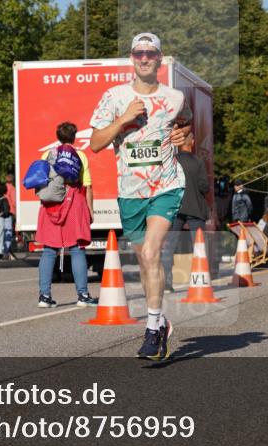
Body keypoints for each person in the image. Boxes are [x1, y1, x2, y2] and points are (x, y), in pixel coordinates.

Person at [89, 32, 190, 360]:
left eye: (150, 53)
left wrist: (185, 132)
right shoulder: (114, 97)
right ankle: (161, 322)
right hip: (130, 191)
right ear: (132, 58)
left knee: (150, 252)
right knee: (146, 261)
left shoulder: (175, 97)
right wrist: (123, 119)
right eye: (138, 53)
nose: (144, 58)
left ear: (160, 59)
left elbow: (190, 126)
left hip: (166, 184)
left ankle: (150, 330)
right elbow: (95, 144)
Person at [37, 122, 95, 306]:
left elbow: (41, 180)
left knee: (48, 250)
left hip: (51, 204)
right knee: (77, 249)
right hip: (74, 202)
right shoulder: (80, 156)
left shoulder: (47, 155)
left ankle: (44, 297)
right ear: (74, 136)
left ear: (58, 136)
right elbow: (87, 185)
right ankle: (83, 296)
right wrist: (90, 210)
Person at [161, 131, 210, 292]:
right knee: (200, 246)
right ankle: (201, 280)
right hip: (195, 208)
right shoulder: (198, 162)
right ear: (192, 142)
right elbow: (204, 186)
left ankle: (167, 283)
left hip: (175, 208)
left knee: (169, 247)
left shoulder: (173, 161)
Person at [4, 172, 17, 259]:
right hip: (9, 213)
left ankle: (2, 251)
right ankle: (6, 252)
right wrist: (16, 214)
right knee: (8, 233)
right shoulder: (12, 189)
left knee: (2, 233)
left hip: (1, 213)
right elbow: (14, 202)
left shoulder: (2, 188)